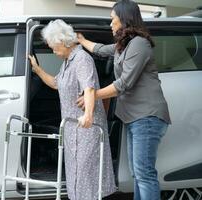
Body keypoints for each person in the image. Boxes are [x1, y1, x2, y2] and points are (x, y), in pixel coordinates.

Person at [77, 0, 171, 199]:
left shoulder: (139, 43)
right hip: (134, 118)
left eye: (113, 19)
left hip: (147, 117)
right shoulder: (124, 44)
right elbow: (101, 50)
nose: (110, 24)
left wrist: (91, 94)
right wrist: (81, 40)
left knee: (144, 174)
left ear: (125, 19)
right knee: (138, 174)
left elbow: (124, 83)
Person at [28, 19, 116, 200]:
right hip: (72, 130)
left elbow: (89, 88)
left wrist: (88, 115)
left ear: (62, 41)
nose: (52, 50)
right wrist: (36, 69)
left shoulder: (82, 59)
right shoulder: (68, 61)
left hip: (86, 129)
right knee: (76, 176)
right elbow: (55, 83)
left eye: (53, 46)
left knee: (87, 178)